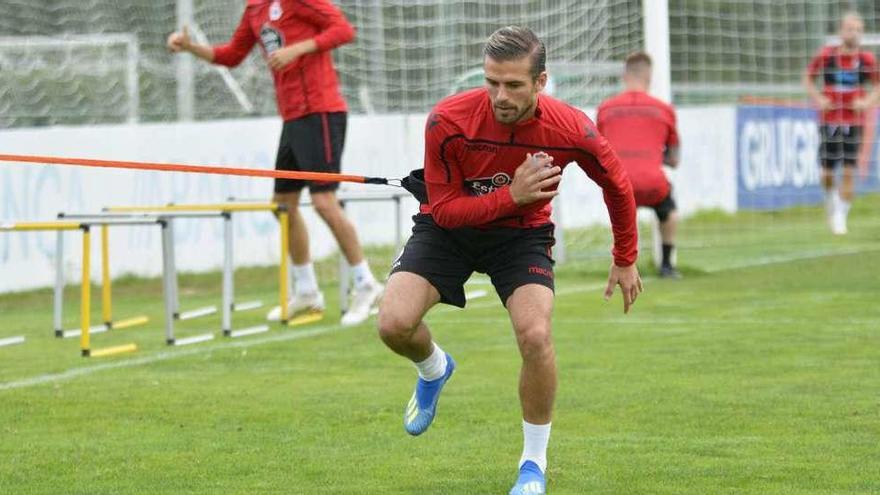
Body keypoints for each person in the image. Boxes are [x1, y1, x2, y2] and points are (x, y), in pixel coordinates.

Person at [377, 26, 642, 495]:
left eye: (514, 85)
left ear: (541, 82)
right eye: (492, 82)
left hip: (521, 237)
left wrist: (625, 256)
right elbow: (445, 211)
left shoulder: (570, 128)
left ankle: (532, 465)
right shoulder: (447, 120)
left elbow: (617, 185)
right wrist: (511, 194)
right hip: (448, 231)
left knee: (535, 334)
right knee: (393, 325)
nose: (500, 95)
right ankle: (435, 369)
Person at [166, 0, 382, 325]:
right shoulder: (255, 9)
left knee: (324, 201)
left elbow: (343, 30)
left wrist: (298, 49)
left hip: (320, 111)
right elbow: (231, 55)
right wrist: (190, 48)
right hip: (293, 117)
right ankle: (307, 291)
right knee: (282, 204)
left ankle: (366, 283)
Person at [597, 51, 682, 279]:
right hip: (652, 183)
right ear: (649, 77)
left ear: (625, 76)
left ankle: (624, 263)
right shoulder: (664, 110)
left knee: (623, 212)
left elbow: (599, 150)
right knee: (669, 213)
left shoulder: (606, 109)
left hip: (619, 183)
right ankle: (666, 265)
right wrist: (653, 156)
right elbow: (674, 160)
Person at [803, 11, 880, 235]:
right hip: (829, 120)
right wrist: (818, 98)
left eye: (857, 30)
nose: (853, 33)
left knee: (848, 171)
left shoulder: (866, 61)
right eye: (849, 28)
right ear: (840, 31)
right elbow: (808, 78)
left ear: (862, 34)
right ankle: (831, 201)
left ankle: (840, 217)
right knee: (826, 174)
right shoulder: (827, 56)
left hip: (854, 122)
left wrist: (866, 102)